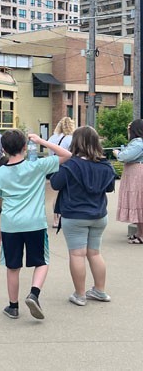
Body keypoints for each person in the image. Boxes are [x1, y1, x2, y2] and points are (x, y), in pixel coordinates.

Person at [0, 130, 71, 320]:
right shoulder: (38, 166)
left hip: (10, 225)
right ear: (25, 147)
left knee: (12, 267)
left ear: (3, 149)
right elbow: (66, 155)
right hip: (35, 223)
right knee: (41, 261)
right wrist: (41, 140)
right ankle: (34, 294)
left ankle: (13, 307)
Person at [49, 126, 116, 306]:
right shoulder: (105, 165)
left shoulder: (70, 165)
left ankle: (80, 295)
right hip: (99, 215)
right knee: (94, 253)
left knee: (77, 255)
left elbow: (55, 184)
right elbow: (109, 188)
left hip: (75, 214)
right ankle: (100, 290)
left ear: (75, 143)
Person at [114, 119, 143, 244]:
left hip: (137, 175)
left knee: (138, 202)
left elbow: (125, 156)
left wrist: (117, 153)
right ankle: (139, 232)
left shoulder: (138, 143)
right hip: (134, 174)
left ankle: (141, 234)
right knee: (137, 203)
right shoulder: (137, 142)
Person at [47, 116, 75, 228]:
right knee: (67, 192)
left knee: (56, 193)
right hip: (67, 167)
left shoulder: (52, 138)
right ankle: (65, 217)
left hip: (54, 166)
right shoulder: (71, 139)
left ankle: (55, 219)